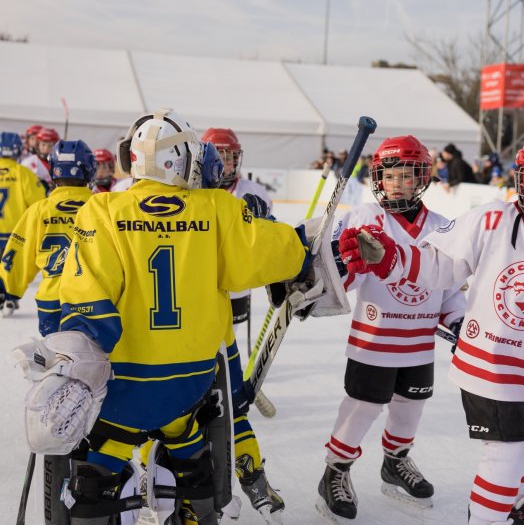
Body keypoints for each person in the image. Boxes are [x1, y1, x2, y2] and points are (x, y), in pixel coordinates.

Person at [11, 109, 318, 525]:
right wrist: (298, 248)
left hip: (122, 389)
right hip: (187, 385)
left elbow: (88, 302)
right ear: (186, 158)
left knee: (100, 459)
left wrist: (73, 359)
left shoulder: (102, 212)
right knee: (189, 446)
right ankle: (196, 501)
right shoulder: (217, 209)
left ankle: (94, 500)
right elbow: (278, 252)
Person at [338, 129, 524, 525]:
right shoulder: (491, 219)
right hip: (487, 363)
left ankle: (519, 508)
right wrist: (390, 258)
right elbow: (439, 266)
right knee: (508, 451)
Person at [316, 136, 466, 523]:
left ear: (423, 179)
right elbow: (338, 283)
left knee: (411, 405)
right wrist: (344, 265)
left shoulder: (443, 227)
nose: (399, 183)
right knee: (363, 406)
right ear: (378, 178)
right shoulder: (362, 217)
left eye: (409, 175)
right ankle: (335, 470)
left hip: (418, 345)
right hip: (373, 341)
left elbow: (449, 287)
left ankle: (395, 462)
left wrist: (459, 320)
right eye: (392, 175)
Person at [201, 127, 284, 521]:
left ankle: (236, 477)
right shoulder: (203, 198)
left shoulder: (245, 192)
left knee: (220, 404)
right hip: (207, 316)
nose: (225, 162)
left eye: (230, 155)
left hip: (217, 309)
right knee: (223, 407)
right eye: (218, 155)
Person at [0, 140, 95, 335]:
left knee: (56, 356)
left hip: (52, 299)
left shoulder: (39, 211)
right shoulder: (102, 208)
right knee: (93, 358)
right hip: (94, 299)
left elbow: (19, 251)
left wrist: (7, 287)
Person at [0, 131, 47, 315]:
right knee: (12, 267)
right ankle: (9, 298)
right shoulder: (23, 173)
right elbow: (38, 202)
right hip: (14, 232)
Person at [21, 126, 60, 191]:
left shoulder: (59, 164)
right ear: (38, 145)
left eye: (50, 146)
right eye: (43, 145)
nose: (46, 148)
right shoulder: (28, 163)